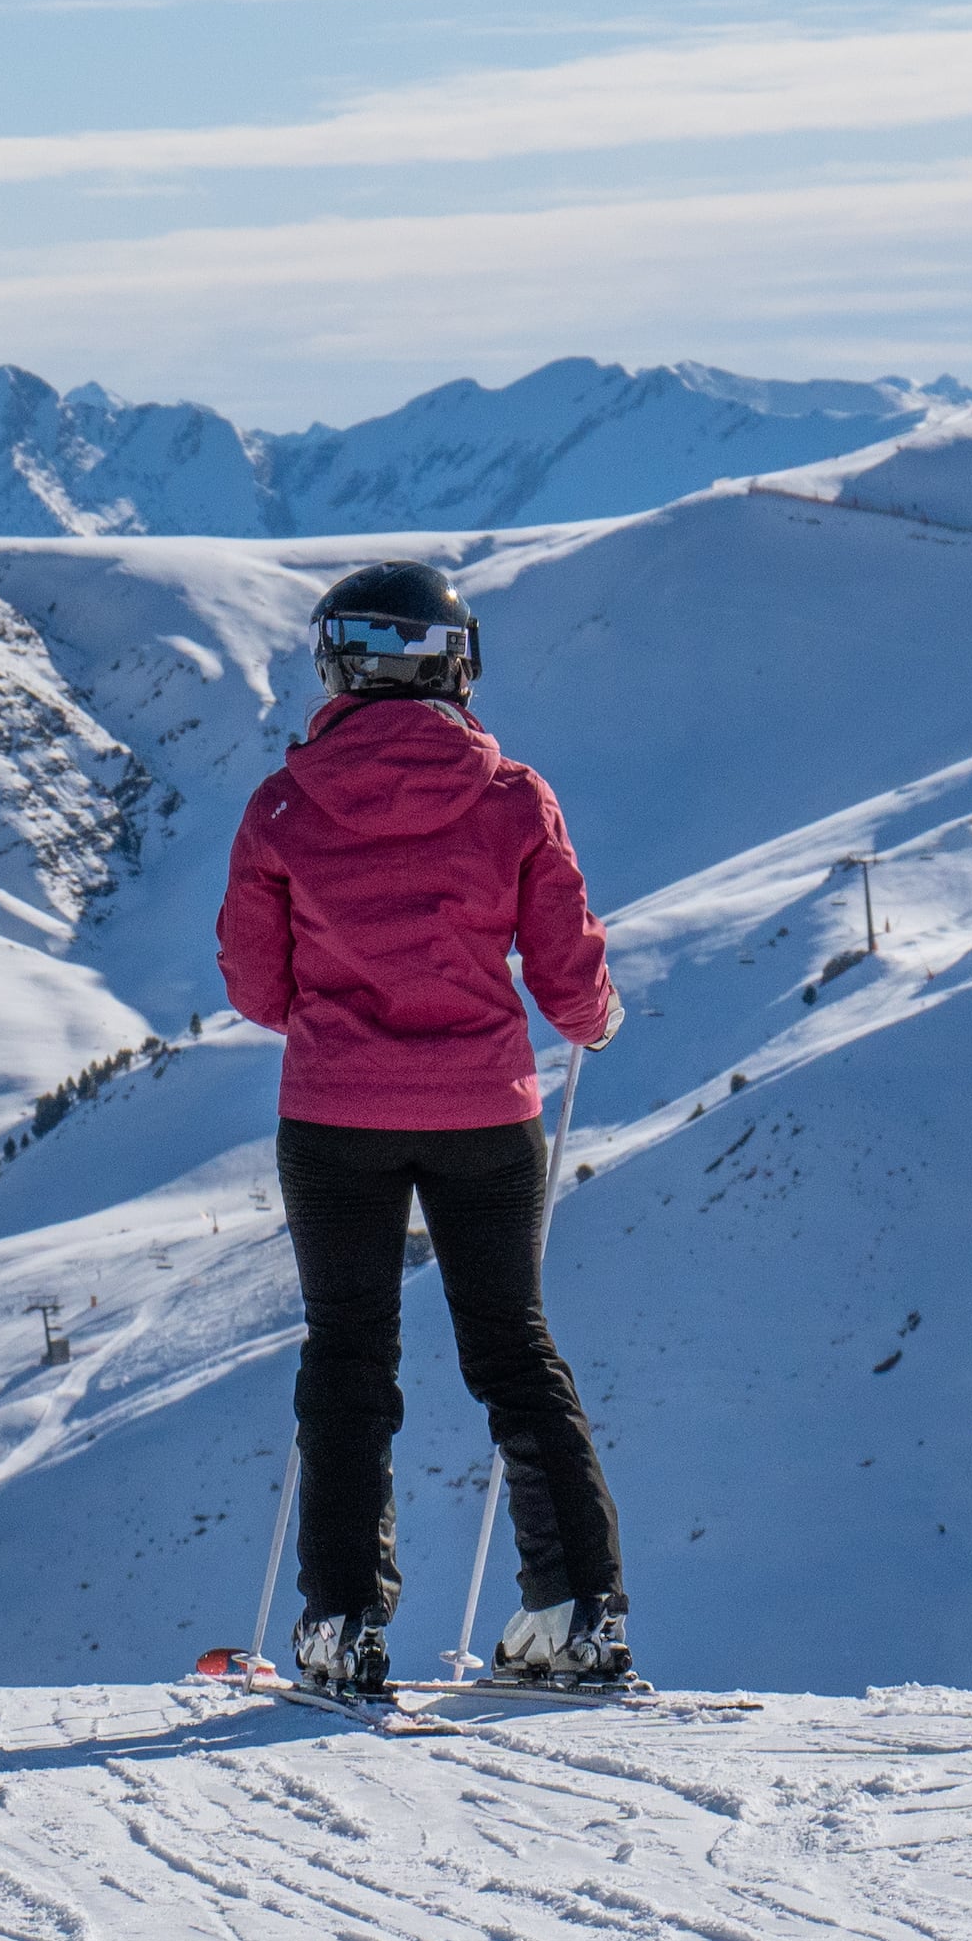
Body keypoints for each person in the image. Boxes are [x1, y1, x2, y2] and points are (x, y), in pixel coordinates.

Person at [216, 562, 629, 1699]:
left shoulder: (284, 805)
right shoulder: (511, 796)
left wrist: (336, 1003)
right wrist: (596, 1015)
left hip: (334, 1112)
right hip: (485, 1112)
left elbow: (256, 986)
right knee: (512, 1349)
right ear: (459, 661)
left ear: (336, 661)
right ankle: (577, 1610)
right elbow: (565, 977)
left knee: (347, 1356)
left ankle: (343, 1623)